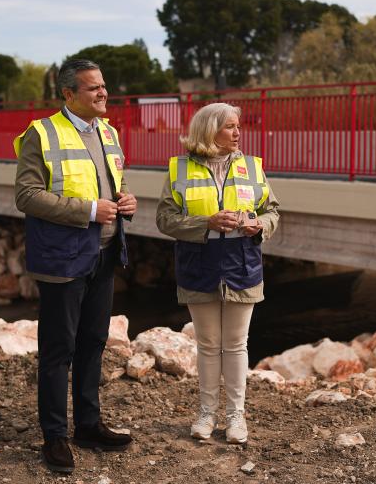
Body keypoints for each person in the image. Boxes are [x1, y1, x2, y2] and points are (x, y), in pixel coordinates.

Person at [14, 58, 136, 473]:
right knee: (57, 350)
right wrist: (88, 210)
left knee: (93, 343)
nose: (103, 93)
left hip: (102, 254)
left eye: (104, 86)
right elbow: (27, 196)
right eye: (93, 88)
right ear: (68, 94)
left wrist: (125, 202)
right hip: (62, 259)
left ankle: (87, 424)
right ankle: (54, 436)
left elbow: (110, 188)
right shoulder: (41, 133)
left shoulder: (110, 132)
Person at [155, 102, 280, 444]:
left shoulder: (253, 167)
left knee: (237, 344)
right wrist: (205, 223)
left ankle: (236, 417)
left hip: (242, 265)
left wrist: (259, 225)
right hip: (199, 267)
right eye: (230, 126)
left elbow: (272, 211)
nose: (238, 132)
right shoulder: (179, 168)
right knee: (209, 345)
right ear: (210, 129)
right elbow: (164, 220)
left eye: (238, 126)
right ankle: (206, 414)